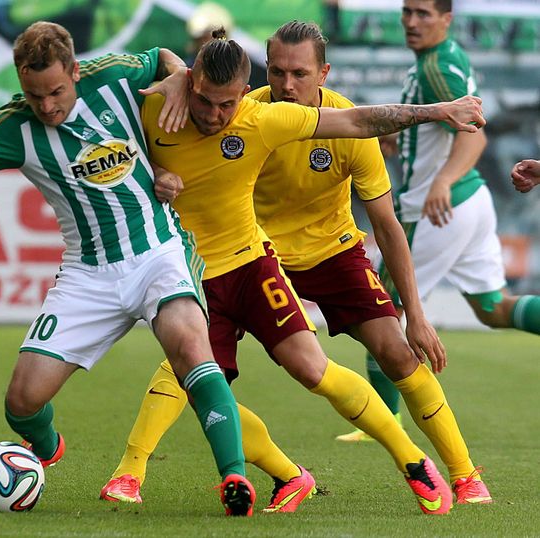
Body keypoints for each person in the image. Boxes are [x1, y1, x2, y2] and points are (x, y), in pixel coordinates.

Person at [99, 28, 485, 515]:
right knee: (191, 368)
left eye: (300, 74)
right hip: (244, 255)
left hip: (329, 250)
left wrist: (417, 314)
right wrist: (169, 109)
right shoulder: (230, 106)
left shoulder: (302, 124)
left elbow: (385, 223)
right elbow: (130, 142)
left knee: (392, 351)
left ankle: (462, 472)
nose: (286, 83)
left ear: (323, 74)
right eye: (277, 71)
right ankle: (142, 473)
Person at [0, 21, 257, 517]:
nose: (46, 105)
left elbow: (168, 57)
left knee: (191, 349)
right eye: (34, 94)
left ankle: (233, 476)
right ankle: (45, 451)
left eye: (56, 91)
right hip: (88, 275)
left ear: (75, 70)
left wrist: (175, 75)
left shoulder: (113, 75)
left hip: (157, 251)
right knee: (21, 402)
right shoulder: (12, 127)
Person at [339, 0, 539, 489]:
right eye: (407, 12)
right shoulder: (441, 60)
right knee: (492, 307)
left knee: (383, 304)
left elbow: (474, 136)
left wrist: (443, 181)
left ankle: (380, 421)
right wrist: (403, 147)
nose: (411, 21)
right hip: (470, 205)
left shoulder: (437, 65)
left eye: (424, 13)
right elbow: (443, 129)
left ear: (446, 19)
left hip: (443, 208)